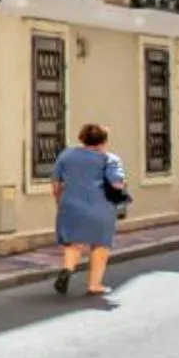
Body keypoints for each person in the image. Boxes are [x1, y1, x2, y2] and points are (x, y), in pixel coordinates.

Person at [50, 122, 127, 296]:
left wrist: (60, 202)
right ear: (104, 140)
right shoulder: (110, 159)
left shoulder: (66, 155)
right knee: (100, 244)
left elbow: (56, 185)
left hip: (70, 206)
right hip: (100, 208)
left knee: (73, 243)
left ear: (82, 138)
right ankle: (94, 285)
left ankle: (68, 269)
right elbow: (116, 184)